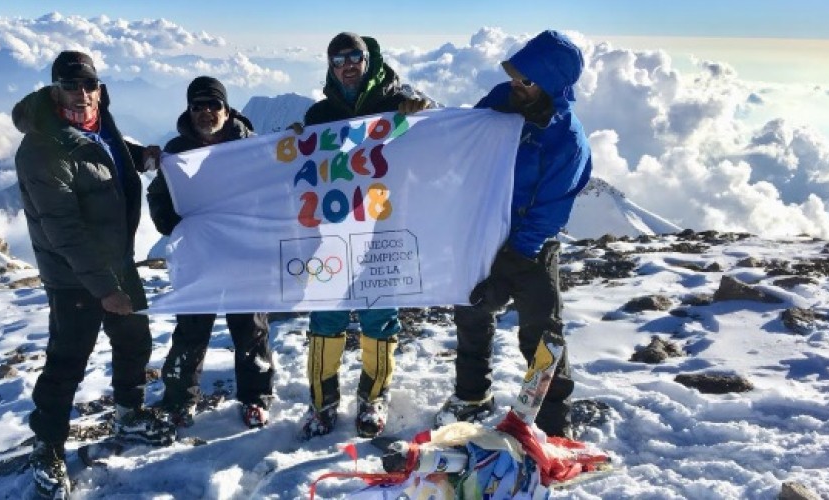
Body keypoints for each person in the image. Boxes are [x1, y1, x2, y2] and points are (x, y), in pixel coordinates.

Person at [12, 50, 174, 499]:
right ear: (54, 89)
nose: (82, 94)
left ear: (100, 88)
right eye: (70, 86)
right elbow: (62, 227)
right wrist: (104, 289)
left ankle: (128, 413)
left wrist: (144, 157)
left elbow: (108, 158)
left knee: (134, 340)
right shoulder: (42, 146)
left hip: (117, 260)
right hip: (73, 275)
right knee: (67, 361)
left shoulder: (99, 121)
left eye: (89, 85)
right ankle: (46, 448)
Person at [434, 30, 592, 439]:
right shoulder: (501, 100)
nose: (517, 86)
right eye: (516, 76)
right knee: (471, 313)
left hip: (533, 245)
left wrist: (511, 259)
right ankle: (472, 396)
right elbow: (466, 137)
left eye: (527, 81)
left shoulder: (568, 140)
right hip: (484, 229)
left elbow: (550, 210)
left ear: (552, 84)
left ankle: (553, 424)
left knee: (542, 333)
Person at [297, 32, 431, 440]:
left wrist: (421, 109)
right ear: (330, 66)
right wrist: (290, 140)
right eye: (338, 59)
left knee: (378, 317)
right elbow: (302, 163)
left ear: (368, 59)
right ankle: (323, 404)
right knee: (326, 317)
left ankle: (373, 397)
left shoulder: (396, 104)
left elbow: (441, 132)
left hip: (383, 232)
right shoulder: (319, 115)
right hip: (332, 234)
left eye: (354, 56)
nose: (347, 65)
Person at [147, 76, 276, 429]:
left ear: (227, 108)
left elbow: (277, 189)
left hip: (244, 253)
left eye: (213, 104)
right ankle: (179, 400)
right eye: (197, 106)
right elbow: (158, 195)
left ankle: (255, 398)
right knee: (191, 328)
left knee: (251, 330)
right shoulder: (177, 150)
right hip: (199, 256)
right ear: (189, 110)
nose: (206, 112)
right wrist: (172, 223)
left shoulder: (252, 147)